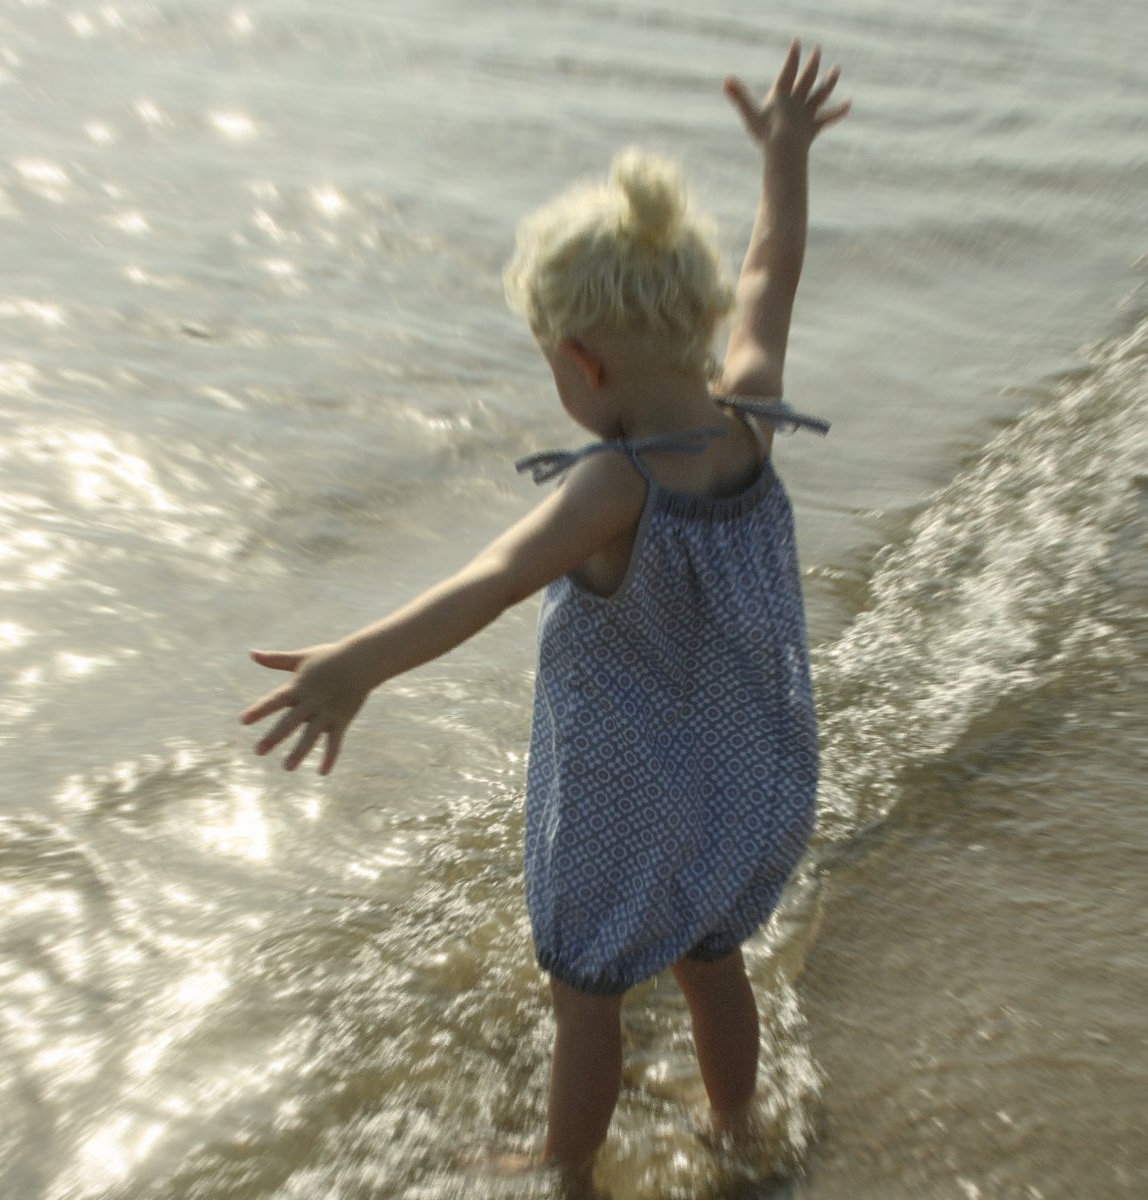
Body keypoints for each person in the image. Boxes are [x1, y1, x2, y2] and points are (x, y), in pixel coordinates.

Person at [240, 40, 849, 1180]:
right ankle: (734, 1129)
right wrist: (786, 158)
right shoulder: (752, 417)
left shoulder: (616, 482)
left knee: (588, 993)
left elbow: (489, 580)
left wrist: (357, 664)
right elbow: (774, 269)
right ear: (693, 320)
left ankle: (565, 1172)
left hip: (630, 796)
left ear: (581, 361)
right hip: (748, 782)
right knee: (714, 963)